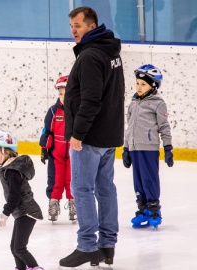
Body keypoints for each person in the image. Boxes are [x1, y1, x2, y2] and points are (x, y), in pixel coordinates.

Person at [59, 6, 125, 268]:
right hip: (108, 135)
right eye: (71, 26)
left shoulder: (89, 57)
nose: (74, 30)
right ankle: (107, 246)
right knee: (105, 189)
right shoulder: (111, 52)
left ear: (91, 25)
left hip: (89, 137)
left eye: (78, 25)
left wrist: (78, 133)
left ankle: (87, 246)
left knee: (82, 189)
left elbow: (90, 101)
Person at [0, 130, 44, 270]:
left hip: (27, 212)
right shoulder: (8, 168)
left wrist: (5, 213)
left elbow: (14, 196)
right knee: (14, 247)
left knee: (19, 248)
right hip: (22, 213)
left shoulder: (12, 171)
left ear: (6, 152)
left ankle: (35, 267)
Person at [123, 64, 173, 229]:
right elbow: (129, 126)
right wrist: (126, 148)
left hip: (149, 149)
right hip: (134, 148)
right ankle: (142, 209)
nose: (138, 87)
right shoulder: (133, 102)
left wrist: (168, 148)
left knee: (149, 179)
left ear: (153, 86)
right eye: (137, 83)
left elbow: (164, 127)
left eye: (143, 84)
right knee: (138, 181)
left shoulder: (158, 104)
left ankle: (154, 211)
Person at [39, 75, 75, 222]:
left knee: (72, 180)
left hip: (74, 153)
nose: (63, 97)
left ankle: (74, 204)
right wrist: (44, 148)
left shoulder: (78, 111)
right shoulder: (53, 111)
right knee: (55, 179)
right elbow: (47, 130)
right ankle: (53, 203)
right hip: (57, 153)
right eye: (60, 94)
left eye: (66, 94)